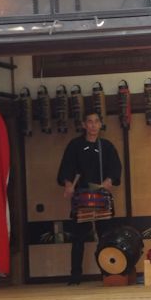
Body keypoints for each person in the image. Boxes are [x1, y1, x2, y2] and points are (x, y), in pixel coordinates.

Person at [57, 110, 122, 285]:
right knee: (78, 237)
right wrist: (68, 184)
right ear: (84, 125)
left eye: (96, 122)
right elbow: (67, 168)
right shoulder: (75, 145)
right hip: (82, 196)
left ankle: (108, 273)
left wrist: (109, 180)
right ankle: (75, 276)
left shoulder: (106, 146)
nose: (93, 125)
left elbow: (115, 168)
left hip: (101, 195)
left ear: (100, 124)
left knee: (105, 237)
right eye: (90, 122)